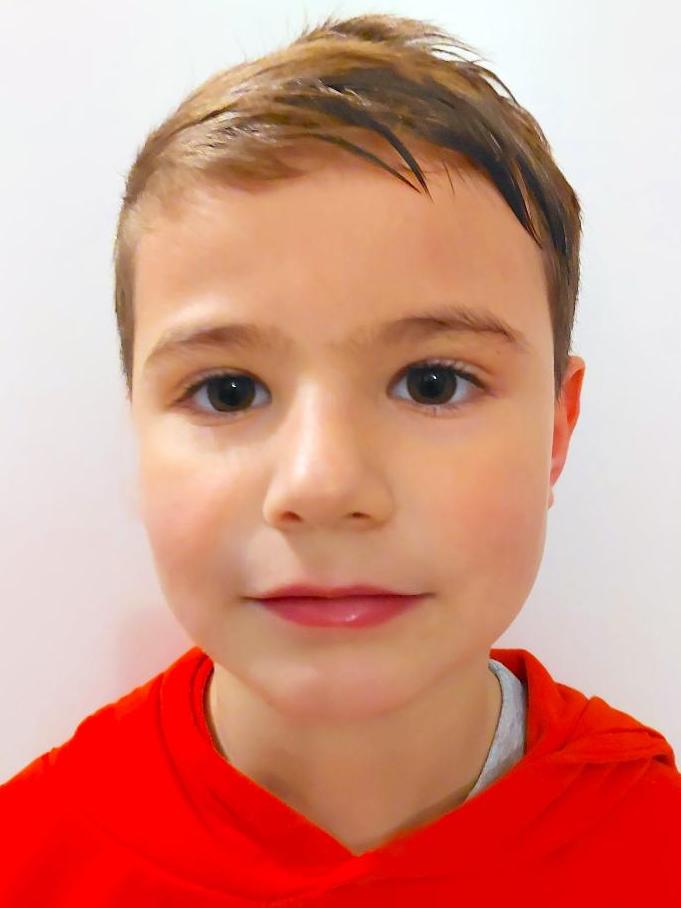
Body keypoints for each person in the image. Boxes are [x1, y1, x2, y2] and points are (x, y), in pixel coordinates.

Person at [2, 12, 679, 906]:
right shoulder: (28, 860)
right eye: (228, 392)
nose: (322, 486)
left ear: (557, 429)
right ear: (135, 431)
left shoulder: (654, 845)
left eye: (433, 383)